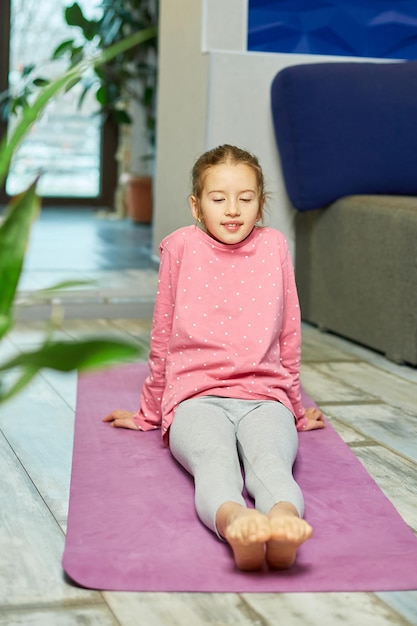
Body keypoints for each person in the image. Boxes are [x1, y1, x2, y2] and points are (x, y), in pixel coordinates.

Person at [104, 144, 325, 572]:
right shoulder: (180, 247)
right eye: (218, 198)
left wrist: (295, 410)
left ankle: (283, 523)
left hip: (264, 396)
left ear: (261, 205)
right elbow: (163, 336)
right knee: (214, 462)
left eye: (245, 199)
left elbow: (289, 336)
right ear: (196, 205)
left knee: (272, 463)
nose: (232, 210)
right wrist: (150, 412)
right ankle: (236, 522)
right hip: (195, 398)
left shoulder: (275, 246)